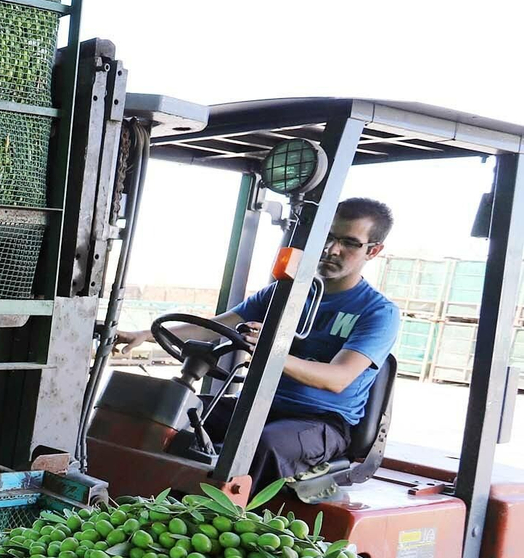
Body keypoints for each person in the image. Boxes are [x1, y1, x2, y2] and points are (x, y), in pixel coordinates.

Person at [113, 197, 400, 486]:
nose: (331, 249)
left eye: (349, 242)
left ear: (373, 250)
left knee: (259, 446)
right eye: (327, 236)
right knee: (169, 412)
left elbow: (337, 379)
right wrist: (146, 334)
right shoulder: (284, 293)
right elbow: (214, 327)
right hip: (257, 405)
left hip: (322, 421)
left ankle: (227, 511)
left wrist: (271, 350)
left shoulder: (377, 312)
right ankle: (137, 494)